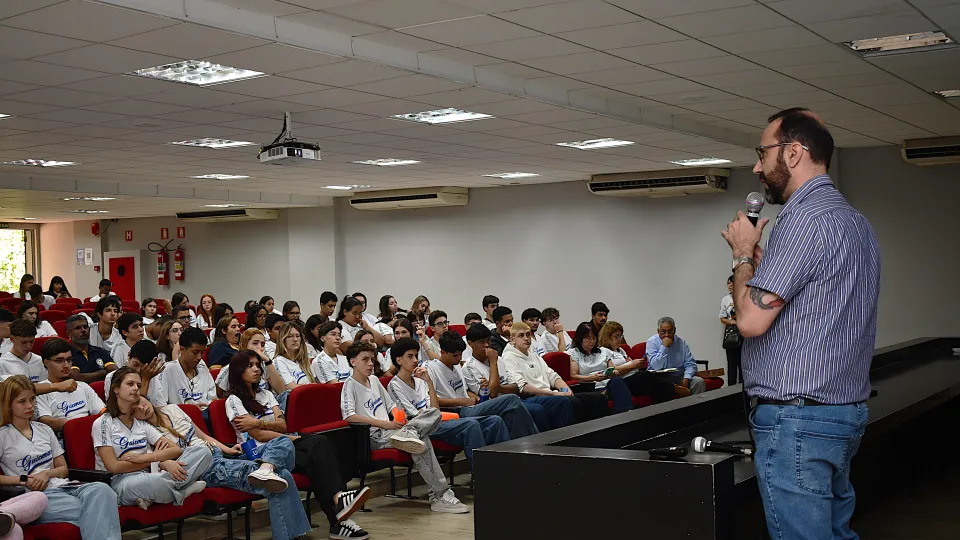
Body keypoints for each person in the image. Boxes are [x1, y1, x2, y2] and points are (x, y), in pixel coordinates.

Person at [721, 107, 879, 540]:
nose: (756, 166)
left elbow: (750, 321)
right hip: (841, 414)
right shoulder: (855, 223)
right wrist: (756, 262)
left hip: (798, 421)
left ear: (793, 153)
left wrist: (740, 255)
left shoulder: (803, 221)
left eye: (762, 152)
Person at [226, 350, 373, 539]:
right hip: (260, 454)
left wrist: (258, 422)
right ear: (238, 371)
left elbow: (283, 425)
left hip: (283, 447)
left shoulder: (266, 395)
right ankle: (339, 514)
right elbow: (257, 435)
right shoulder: (234, 400)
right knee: (318, 444)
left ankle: (339, 512)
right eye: (249, 366)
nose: (256, 369)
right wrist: (288, 437)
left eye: (257, 365)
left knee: (318, 456)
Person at [134, 395, 312, 540]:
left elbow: (202, 435)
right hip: (206, 468)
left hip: (222, 454)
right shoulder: (144, 432)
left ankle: (266, 468)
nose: (142, 407)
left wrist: (228, 449)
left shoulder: (171, 409)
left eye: (140, 401)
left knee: (282, 441)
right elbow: (154, 462)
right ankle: (291, 533)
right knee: (283, 475)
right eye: (136, 409)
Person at [341, 342, 468, 514]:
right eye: (365, 360)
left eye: (372, 359)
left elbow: (391, 405)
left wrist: (399, 419)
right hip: (373, 436)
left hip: (393, 431)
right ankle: (440, 495)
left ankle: (411, 432)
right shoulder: (349, 384)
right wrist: (385, 423)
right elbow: (349, 416)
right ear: (353, 361)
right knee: (421, 440)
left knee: (434, 413)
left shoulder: (374, 380)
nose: (371, 363)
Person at [0, 375, 122, 539]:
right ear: (9, 404)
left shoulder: (44, 429)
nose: (30, 406)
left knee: (104, 491)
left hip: (64, 486)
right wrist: (23, 479)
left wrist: (47, 473)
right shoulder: (3, 436)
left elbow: (63, 469)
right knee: (99, 508)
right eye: (22, 402)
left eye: (32, 399)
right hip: (34, 496)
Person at [94, 367, 212, 509]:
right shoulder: (102, 423)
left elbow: (176, 450)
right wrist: (159, 462)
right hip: (123, 481)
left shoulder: (141, 423)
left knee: (203, 452)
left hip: (153, 473)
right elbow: (114, 467)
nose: (136, 388)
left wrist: (148, 458)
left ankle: (156, 496)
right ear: (116, 389)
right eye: (130, 384)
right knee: (158, 482)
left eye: (138, 385)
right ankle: (185, 491)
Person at [388, 337, 509, 472]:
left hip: (436, 420)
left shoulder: (420, 379)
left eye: (416, 355)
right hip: (421, 428)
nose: (415, 360)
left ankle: (505, 469)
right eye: (410, 356)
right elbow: (413, 416)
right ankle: (483, 478)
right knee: (471, 425)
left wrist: (428, 382)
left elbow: (435, 409)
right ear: (399, 360)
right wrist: (434, 414)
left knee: (494, 421)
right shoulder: (394, 385)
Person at [427, 333, 538, 440]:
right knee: (511, 400)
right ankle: (536, 439)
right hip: (455, 411)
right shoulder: (431, 368)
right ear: (443, 352)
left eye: (461, 354)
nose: (459, 358)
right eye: (455, 355)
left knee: (500, 418)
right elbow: (431, 400)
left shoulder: (456, 366)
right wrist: (463, 401)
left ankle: (514, 451)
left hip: (469, 406)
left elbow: (464, 390)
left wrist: (476, 396)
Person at [501, 322, 606, 424]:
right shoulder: (509, 357)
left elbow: (552, 375)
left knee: (597, 399)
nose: (526, 338)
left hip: (549, 394)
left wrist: (565, 390)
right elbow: (522, 387)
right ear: (512, 339)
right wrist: (554, 393)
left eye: (528, 335)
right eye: (521, 336)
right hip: (531, 397)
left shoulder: (532, 354)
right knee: (565, 402)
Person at [36, 338, 104, 435]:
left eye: (69, 360)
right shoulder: (41, 391)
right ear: (46, 362)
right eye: (59, 361)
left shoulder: (82, 386)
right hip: (62, 438)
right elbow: (46, 421)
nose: (66, 365)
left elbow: (101, 411)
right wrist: (80, 425)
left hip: (91, 434)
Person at [567, 322, 634, 414]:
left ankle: (627, 413)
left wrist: (613, 372)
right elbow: (574, 376)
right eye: (588, 338)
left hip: (607, 384)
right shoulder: (574, 353)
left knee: (617, 380)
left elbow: (612, 368)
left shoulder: (604, 351)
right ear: (580, 338)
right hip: (591, 386)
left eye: (594, 338)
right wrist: (592, 378)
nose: (592, 341)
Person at [598, 321, 674, 403]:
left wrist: (636, 364)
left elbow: (630, 364)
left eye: (621, 336)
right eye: (616, 337)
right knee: (646, 377)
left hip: (633, 376)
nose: (619, 340)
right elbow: (611, 371)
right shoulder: (603, 351)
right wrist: (632, 365)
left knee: (667, 385)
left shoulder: (620, 350)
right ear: (607, 337)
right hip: (622, 382)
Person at [215, 329, 285, 401]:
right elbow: (219, 394)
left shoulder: (265, 365)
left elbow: (281, 392)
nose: (260, 348)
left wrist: (267, 361)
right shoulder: (231, 367)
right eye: (255, 343)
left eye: (262, 345)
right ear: (243, 344)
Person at [644, 317, 706, 396]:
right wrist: (664, 347)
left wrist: (686, 378)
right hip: (660, 378)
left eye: (670, 331)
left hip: (678, 376)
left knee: (698, 382)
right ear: (658, 331)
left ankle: (695, 408)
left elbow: (690, 364)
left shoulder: (682, 343)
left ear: (674, 330)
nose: (667, 335)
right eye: (663, 332)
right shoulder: (651, 342)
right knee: (663, 386)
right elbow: (656, 366)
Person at [158, 327, 216, 411]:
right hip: (179, 419)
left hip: (205, 417)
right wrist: (189, 409)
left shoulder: (203, 369)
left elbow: (212, 400)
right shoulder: (167, 370)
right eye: (195, 352)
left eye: (202, 352)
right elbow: (161, 406)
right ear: (182, 349)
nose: (199, 357)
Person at [105, 340, 166, 406]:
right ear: (129, 355)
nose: (138, 370)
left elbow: (161, 406)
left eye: (144, 368)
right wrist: (145, 381)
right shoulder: (111, 377)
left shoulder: (151, 377)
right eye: (135, 364)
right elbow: (136, 408)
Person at [64, 314, 114, 383]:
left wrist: (87, 376)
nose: (83, 330)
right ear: (69, 333)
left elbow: (114, 372)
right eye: (78, 328)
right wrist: (103, 372)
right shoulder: (66, 354)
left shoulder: (100, 351)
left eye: (85, 327)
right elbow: (76, 377)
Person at [273, 322, 315, 389]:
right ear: (282, 339)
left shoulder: (303, 360)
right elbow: (291, 388)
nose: (295, 340)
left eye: (298, 336)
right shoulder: (279, 361)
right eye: (290, 336)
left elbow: (314, 383)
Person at [719, 275, 742, 386]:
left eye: (733, 282)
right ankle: (731, 390)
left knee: (743, 364)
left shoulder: (745, 297)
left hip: (744, 334)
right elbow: (722, 318)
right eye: (728, 283)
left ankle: (744, 391)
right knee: (731, 365)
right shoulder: (726, 299)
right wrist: (733, 322)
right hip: (732, 335)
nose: (730, 285)